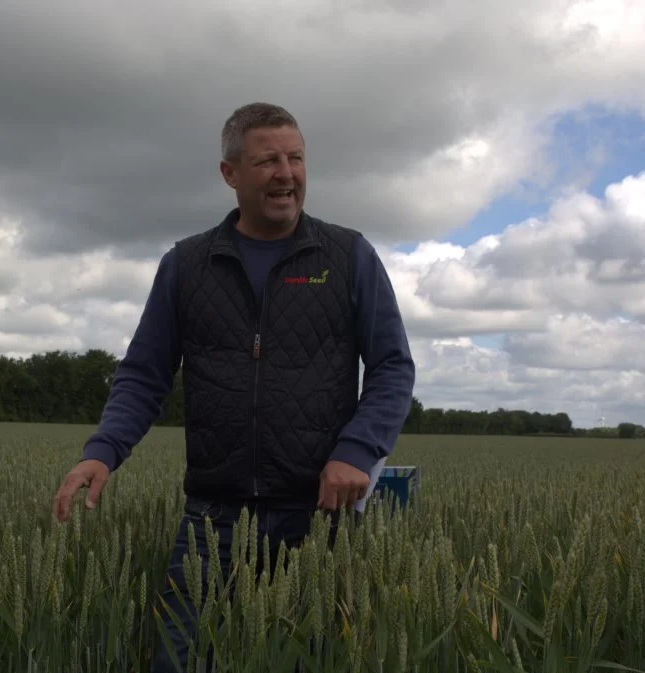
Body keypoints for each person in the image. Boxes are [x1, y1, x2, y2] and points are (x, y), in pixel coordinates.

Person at [51, 102, 416, 672]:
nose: (286, 174)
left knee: (306, 660)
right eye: (268, 160)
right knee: (178, 660)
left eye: (296, 158)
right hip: (212, 517)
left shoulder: (348, 256)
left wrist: (358, 449)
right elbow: (144, 374)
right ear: (230, 173)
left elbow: (393, 367)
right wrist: (103, 451)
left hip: (316, 515)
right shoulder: (187, 264)